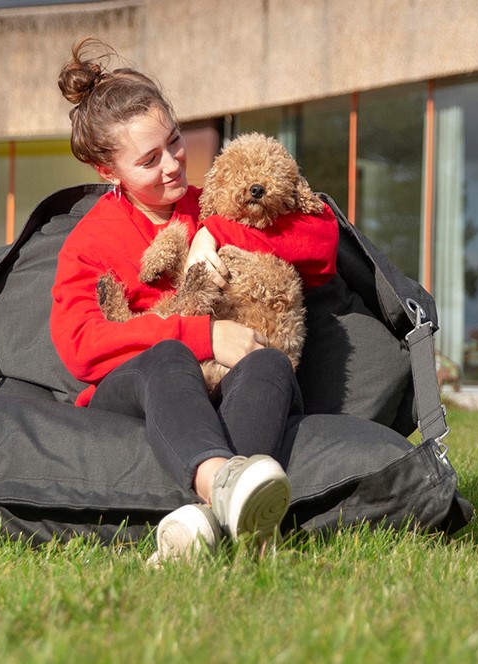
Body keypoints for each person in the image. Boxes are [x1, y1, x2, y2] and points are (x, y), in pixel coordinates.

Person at [50, 38, 334, 562]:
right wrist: (202, 334)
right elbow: (80, 345)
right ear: (108, 173)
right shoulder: (90, 242)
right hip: (138, 396)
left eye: (176, 141)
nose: (173, 166)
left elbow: (321, 244)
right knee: (169, 355)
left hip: (223, 388)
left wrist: (213, 232)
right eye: (148, 160)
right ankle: (220, 484)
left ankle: (204, 529)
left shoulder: (211, 202)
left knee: (269, 361)